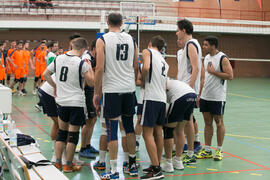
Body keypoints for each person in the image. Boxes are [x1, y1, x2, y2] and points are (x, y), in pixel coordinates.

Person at [93, 13, 139, 179]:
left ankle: (113, 170)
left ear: (107, 22)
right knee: (129, 128)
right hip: (129, 88)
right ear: (122, 23)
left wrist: (97, 93)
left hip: (112, 90)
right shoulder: (132, 40)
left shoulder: (102, 40)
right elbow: (135, 66)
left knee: (112, 129)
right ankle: (132, 165)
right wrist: (131, 82)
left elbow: (99, 68)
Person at [43, 37, 94, 172]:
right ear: (83, 49)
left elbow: (45, 74)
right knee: (72, 135)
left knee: (62, 133)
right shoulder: (82, 62)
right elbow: (91, 82)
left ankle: (58, 162)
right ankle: (68, 165)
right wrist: (90, 68)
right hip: (76, 102)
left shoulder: (58, 58)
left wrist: (55, 86)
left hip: (62, 101)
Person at [196, 36, 233, 161]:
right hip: (206, 96)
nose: (203, 46)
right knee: (207, 123)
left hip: (218, 97)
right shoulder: (206, 58)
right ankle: (207, 150)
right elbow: (203, 78)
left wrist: (214, 72)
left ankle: (219, 150)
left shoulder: (223, 58)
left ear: (213, 46)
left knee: (219, 122)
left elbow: (230, 76)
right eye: (203, 44)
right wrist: (200, 94)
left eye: (206, 45)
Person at [140, 35, 169, 179]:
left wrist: (142, 80)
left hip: (151, 97)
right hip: (162, 100)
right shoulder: (164, 60)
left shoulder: (148, 51)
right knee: (158, 133)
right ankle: (156, 164)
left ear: (150, 43)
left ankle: (156, 169)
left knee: (147, 134)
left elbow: (146, 67)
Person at [176, 19, 202, 164]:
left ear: (184, 30)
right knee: (188, 120)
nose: (176, 33)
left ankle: (190, 153)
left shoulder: (191, 44)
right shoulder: (189, 45)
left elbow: (196, 68)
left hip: (186, 90)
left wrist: (189, 88)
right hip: (185, 88)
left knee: (187, 121)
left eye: (178, 30)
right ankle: (189, 152)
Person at [162, 79, 197, 172]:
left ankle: (168, 164)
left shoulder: (161, 83)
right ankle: (178, 161)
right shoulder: (170, 81)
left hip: (180, 97)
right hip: (192, 95)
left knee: (168, 130)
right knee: (180, 130)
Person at [79, 39, 99, 159]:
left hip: (93, 90)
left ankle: (88, 144)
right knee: (88, 121)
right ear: (94, 48)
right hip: (87, 92)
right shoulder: (86, 58)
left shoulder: (94, 58)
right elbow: (88, 79)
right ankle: (82, 148)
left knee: (93, 119)